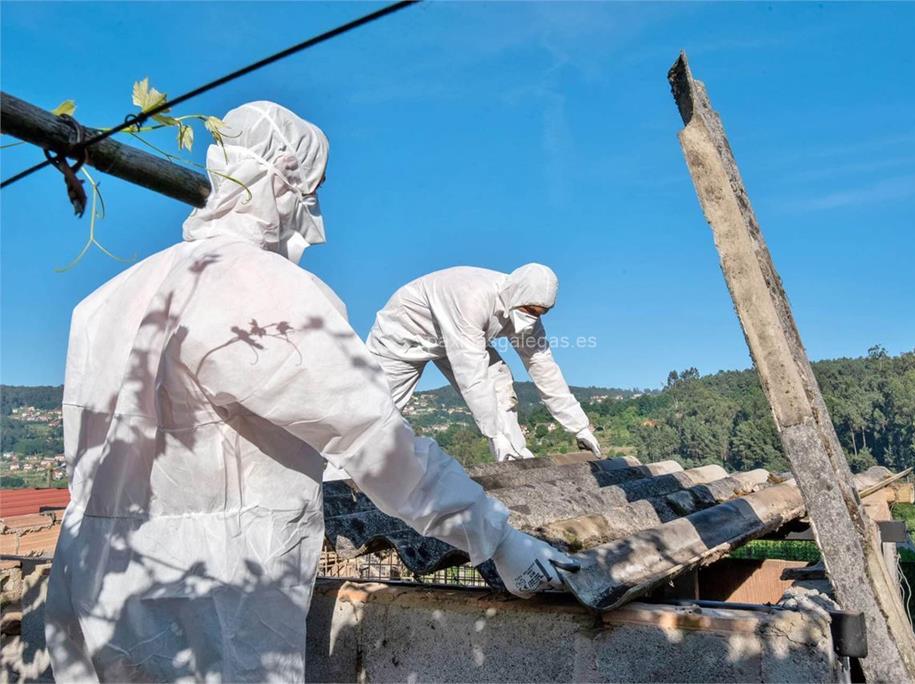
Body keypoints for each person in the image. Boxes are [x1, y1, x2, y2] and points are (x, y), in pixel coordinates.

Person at [45, 101, 573, 683]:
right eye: (312, 189)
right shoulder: (262, 290)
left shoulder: (104, 302)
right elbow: (373, 439)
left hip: (92, 592)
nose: (314, 214)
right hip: (212, 604)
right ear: (282, 179)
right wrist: (496, 536)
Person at [366, 265, 601, 462]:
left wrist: (579, 425)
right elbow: (472, 374)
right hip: (404, 335)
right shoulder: (473, 298)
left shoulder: (527, 312)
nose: (533, 317)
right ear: (517, 295)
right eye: (530, 310)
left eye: (542, 313)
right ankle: (340, 479)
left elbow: (544, 367)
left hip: (460, 336)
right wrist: (493, 432)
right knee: (377, 410)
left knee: (499, 382)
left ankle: (513, 455)